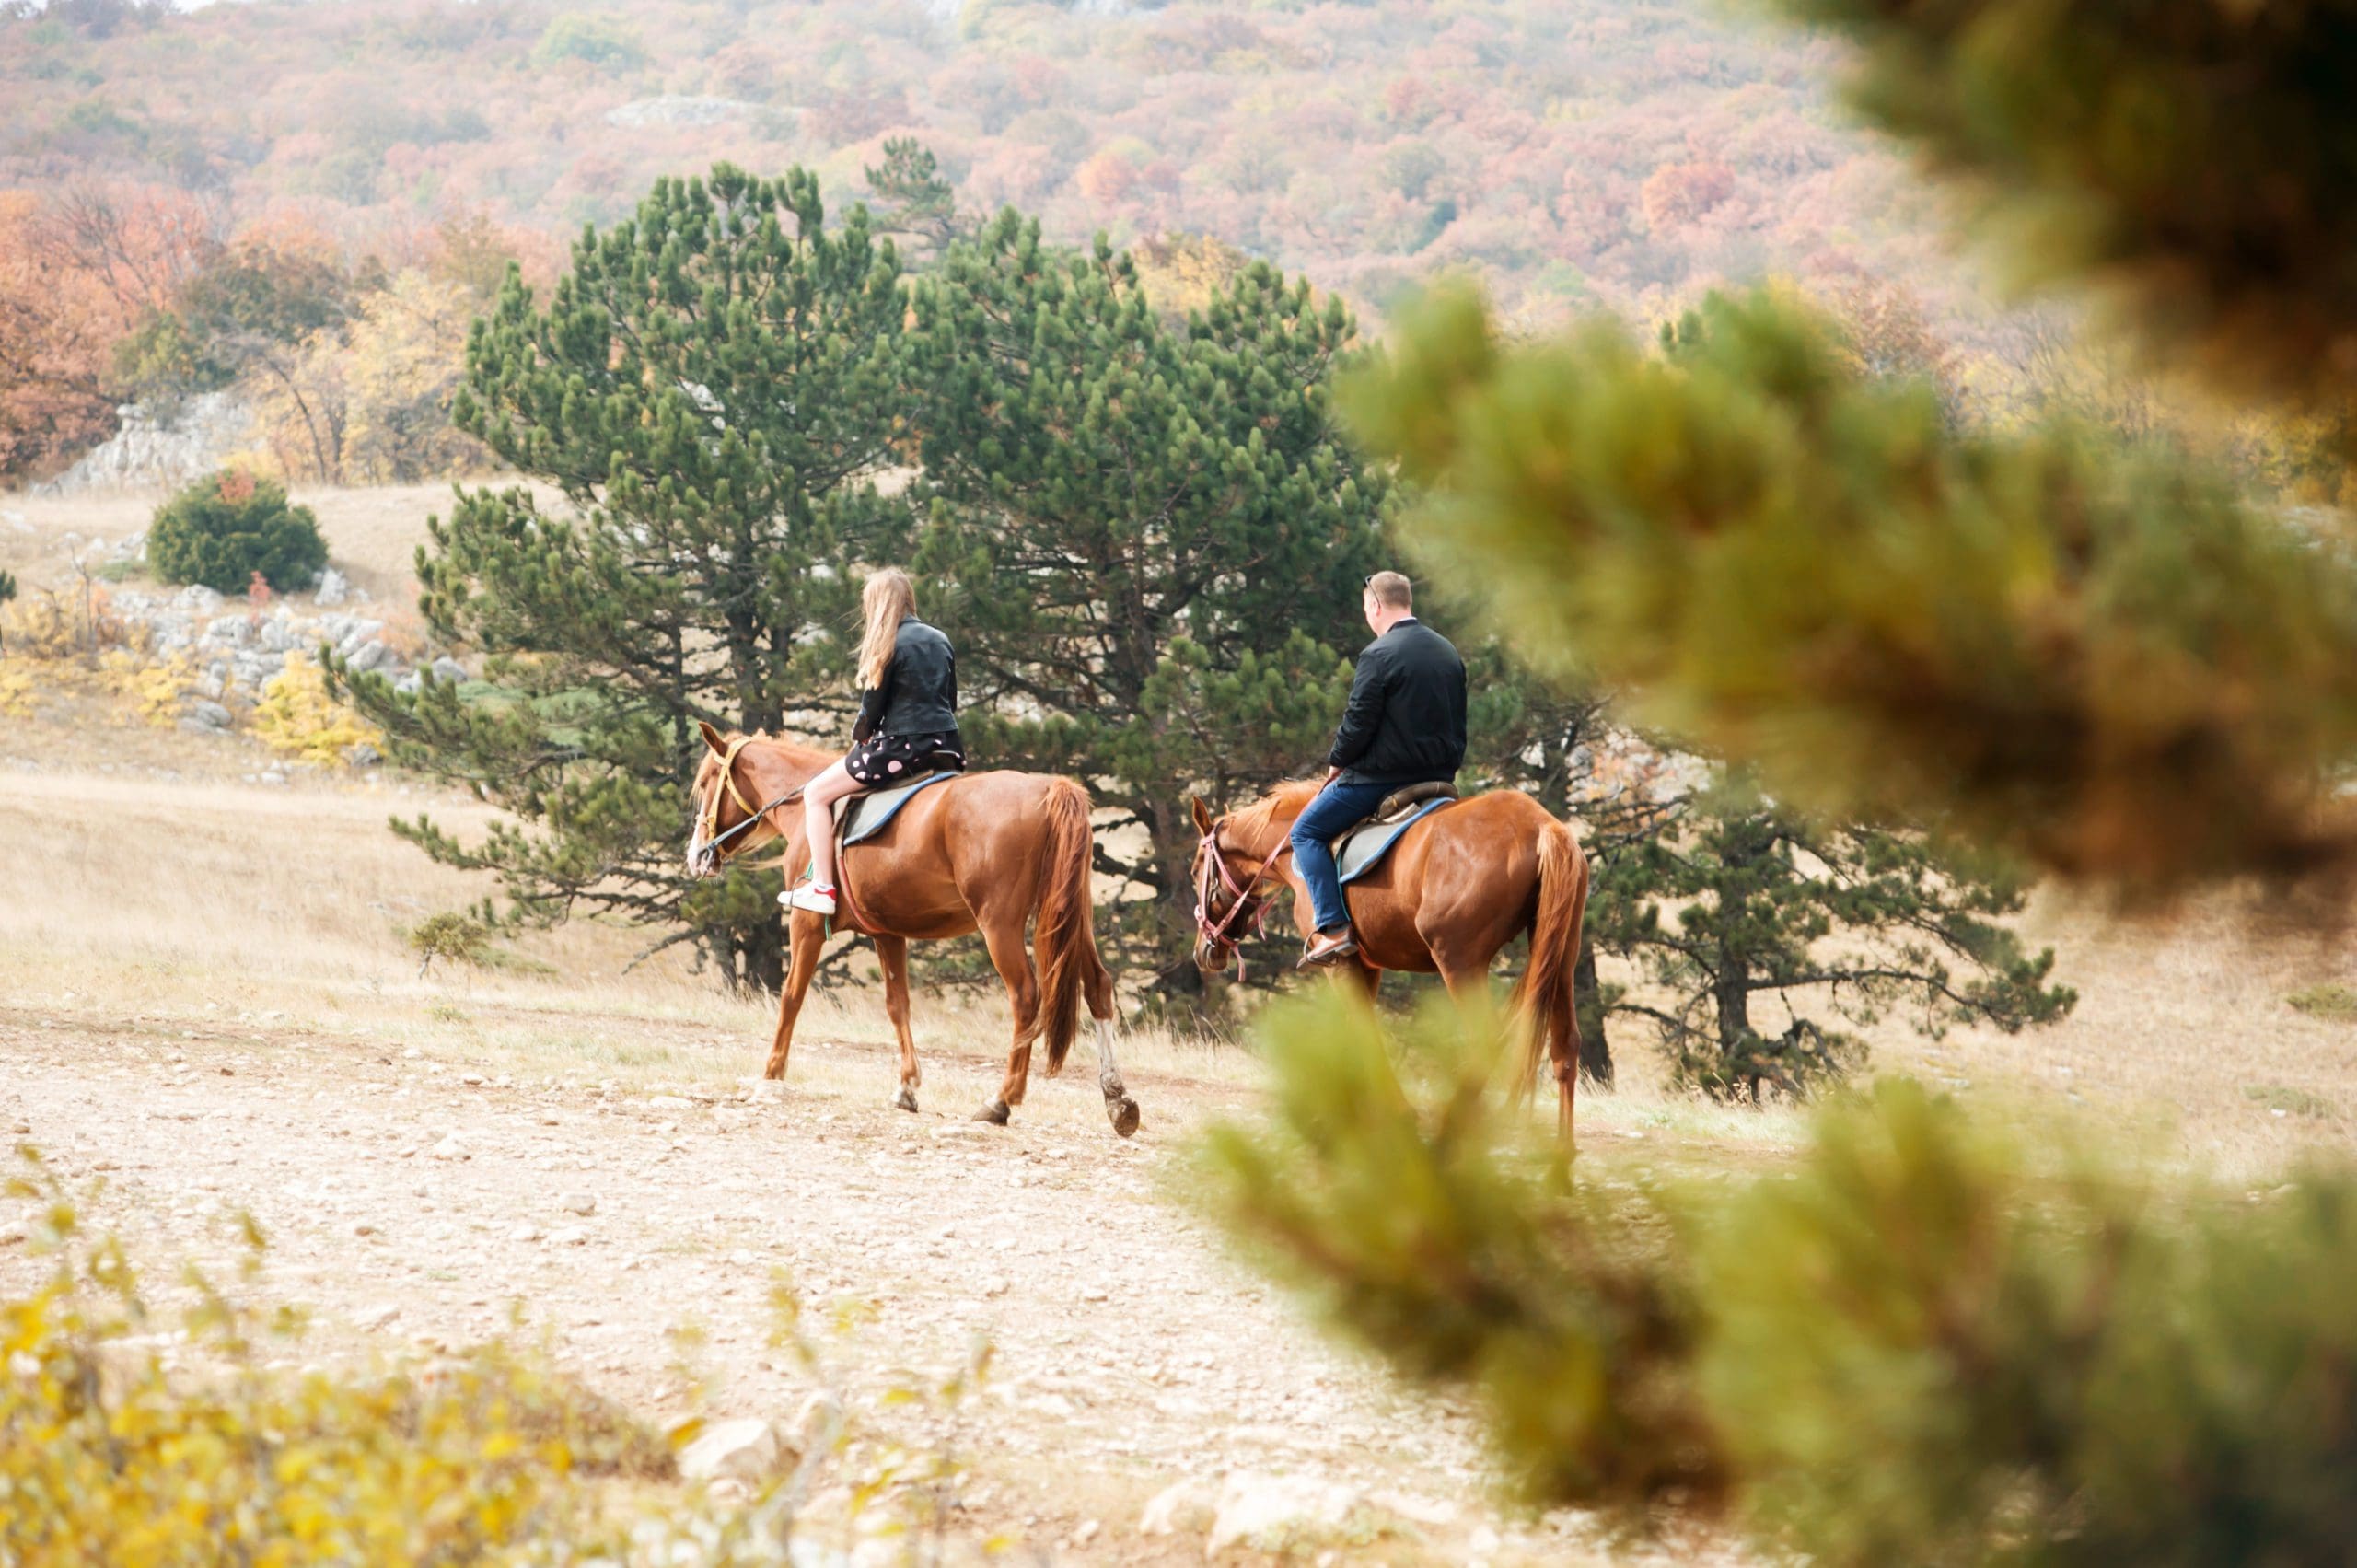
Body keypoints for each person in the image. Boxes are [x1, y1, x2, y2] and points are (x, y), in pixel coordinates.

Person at [1290, 570, 1467, 968]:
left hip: (1381, 780)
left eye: (1366, 609)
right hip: (1439, 779)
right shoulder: (1446, 650)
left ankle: (1333, 929)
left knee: (1305, 832)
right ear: (1408, 602)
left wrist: (1338, 763)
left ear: (1375, 606)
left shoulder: (1378, 654)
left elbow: (1358, 722)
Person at [783, 567, 963, 916]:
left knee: (815, 794)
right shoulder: (940, 639)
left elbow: (872, 708)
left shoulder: (888, 642)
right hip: (946, 745)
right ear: (908, 598)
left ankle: (821, 886)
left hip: (900, 748)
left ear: (878, 605)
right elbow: (949, 699)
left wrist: (861, 740)